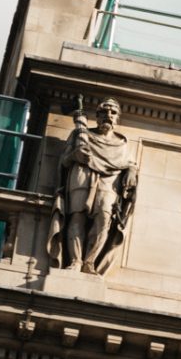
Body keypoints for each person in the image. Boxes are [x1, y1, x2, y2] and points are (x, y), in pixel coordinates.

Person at [52, 98, 139, 274]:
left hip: (109, 181)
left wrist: (131, 169)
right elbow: (64, 161)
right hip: (82, 175)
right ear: (97, 116)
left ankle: (90, 261)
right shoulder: (81, 135)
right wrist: (74, 156)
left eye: (113, 112)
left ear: (117, 118)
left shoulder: (121, 143)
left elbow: (129, 162)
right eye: (104, 112)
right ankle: (76, 261)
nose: (109, 115)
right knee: (77, 217)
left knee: (104, 219)